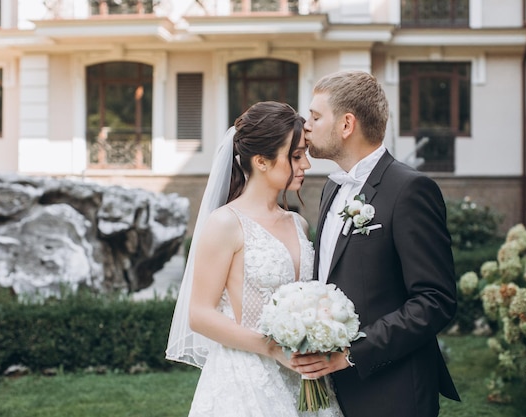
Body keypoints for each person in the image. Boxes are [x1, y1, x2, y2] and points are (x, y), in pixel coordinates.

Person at [291, 70, 461, 417]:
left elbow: (435, 300)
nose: (306, 125)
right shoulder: (331, 188)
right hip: (335, 390)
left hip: (393, 391)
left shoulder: (410, 190)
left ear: (347, 124)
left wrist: (353, 352)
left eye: (316, 116)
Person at [165, 101, 344, 417]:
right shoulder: (225, 224)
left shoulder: (298, 223)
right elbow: (200, 314)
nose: (306, 165)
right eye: (296, 156)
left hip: (304, 377)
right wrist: (271, 347)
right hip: (245, 379)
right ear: (261, 161)